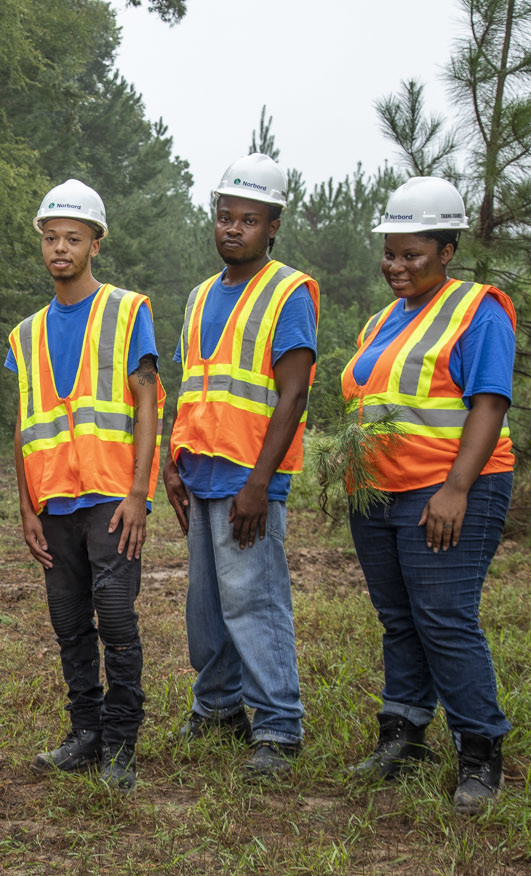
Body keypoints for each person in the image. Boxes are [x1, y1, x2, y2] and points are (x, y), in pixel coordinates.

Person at [342, 176, 516, 815]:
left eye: (412, 253)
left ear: (447, 250)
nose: (397, 266)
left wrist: (455, 489)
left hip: (447, 491)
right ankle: (404, 735)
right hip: (381, 494)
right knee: (400, 619)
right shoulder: (386, 317)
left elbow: (488, 402)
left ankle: (481, 751)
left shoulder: (479, 310)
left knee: (444, 619)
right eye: (390, 252)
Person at [161, 154, 319, 778]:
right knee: (206, 607)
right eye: (225, 216)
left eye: (248, 220)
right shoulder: (202, 295)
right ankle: (220, 709)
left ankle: (279, 726)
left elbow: (295, 395)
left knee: (254, 601)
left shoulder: (288, 292)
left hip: (249, 480)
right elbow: (192, 385)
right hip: (199, 473)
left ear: (273, 226)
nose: (233, 229)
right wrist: (173, 464)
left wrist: (259, 484)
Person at [5, 179, 163, 792]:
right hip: (52, 502)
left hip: (110, 496)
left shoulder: (128, 310)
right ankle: (86, 735)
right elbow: (24, 425)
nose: (60, 248)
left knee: (116, 615)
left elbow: (147, 405)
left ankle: (122, 742)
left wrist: (138, 493)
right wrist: (26, 511)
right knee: (68, 620)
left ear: (96, 243)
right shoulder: (24, 334)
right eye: (51, 238)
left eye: (73, 237)